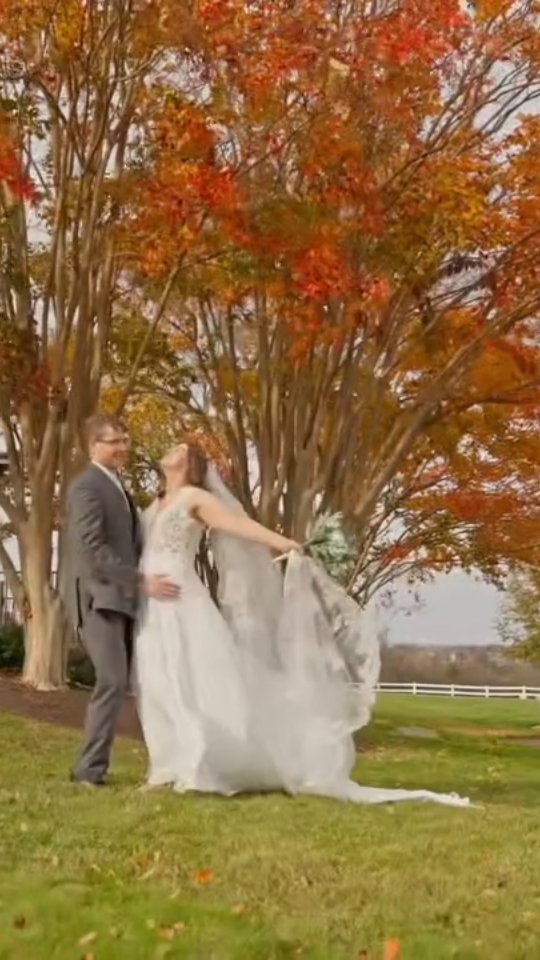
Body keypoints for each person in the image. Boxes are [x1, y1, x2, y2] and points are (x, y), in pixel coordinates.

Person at [134, 442, 471, 807]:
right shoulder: (155, 504)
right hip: (150, 601)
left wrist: (286, 543)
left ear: (190, 463)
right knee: (155, 678)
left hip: (181, 597)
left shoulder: (195, 498)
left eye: (180, 448)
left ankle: (197, 762)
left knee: (188, 676)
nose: (170, 449)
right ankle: (165, 764)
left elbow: (237, 524)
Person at [63, 414, 180, 787]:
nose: (123, 448)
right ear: (93, 445)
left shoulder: (117, 487)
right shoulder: (87, 487)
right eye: (115, 441)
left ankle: (92, 766)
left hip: (122, 600)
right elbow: (92, 550)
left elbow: (129, 543)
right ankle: (88, 770)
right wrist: (139, 580)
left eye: (125, 440)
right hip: (99, 599)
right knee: (112, 680)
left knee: (122, 681)